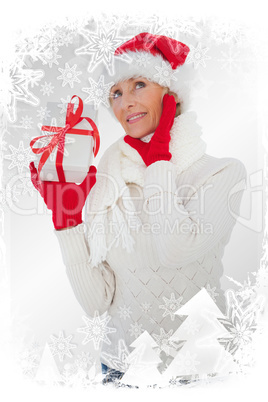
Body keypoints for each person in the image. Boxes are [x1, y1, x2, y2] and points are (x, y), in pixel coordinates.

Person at [29, 33, 247, 384]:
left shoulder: (223, 173)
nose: (125, 102)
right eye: (116, 93)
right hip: (121, 370)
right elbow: (97, 303)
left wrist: (158, 158)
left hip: (199, 370)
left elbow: (176, 249)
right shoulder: (109, 181)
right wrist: (66, 222)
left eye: (139, 84)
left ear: (171, 94)